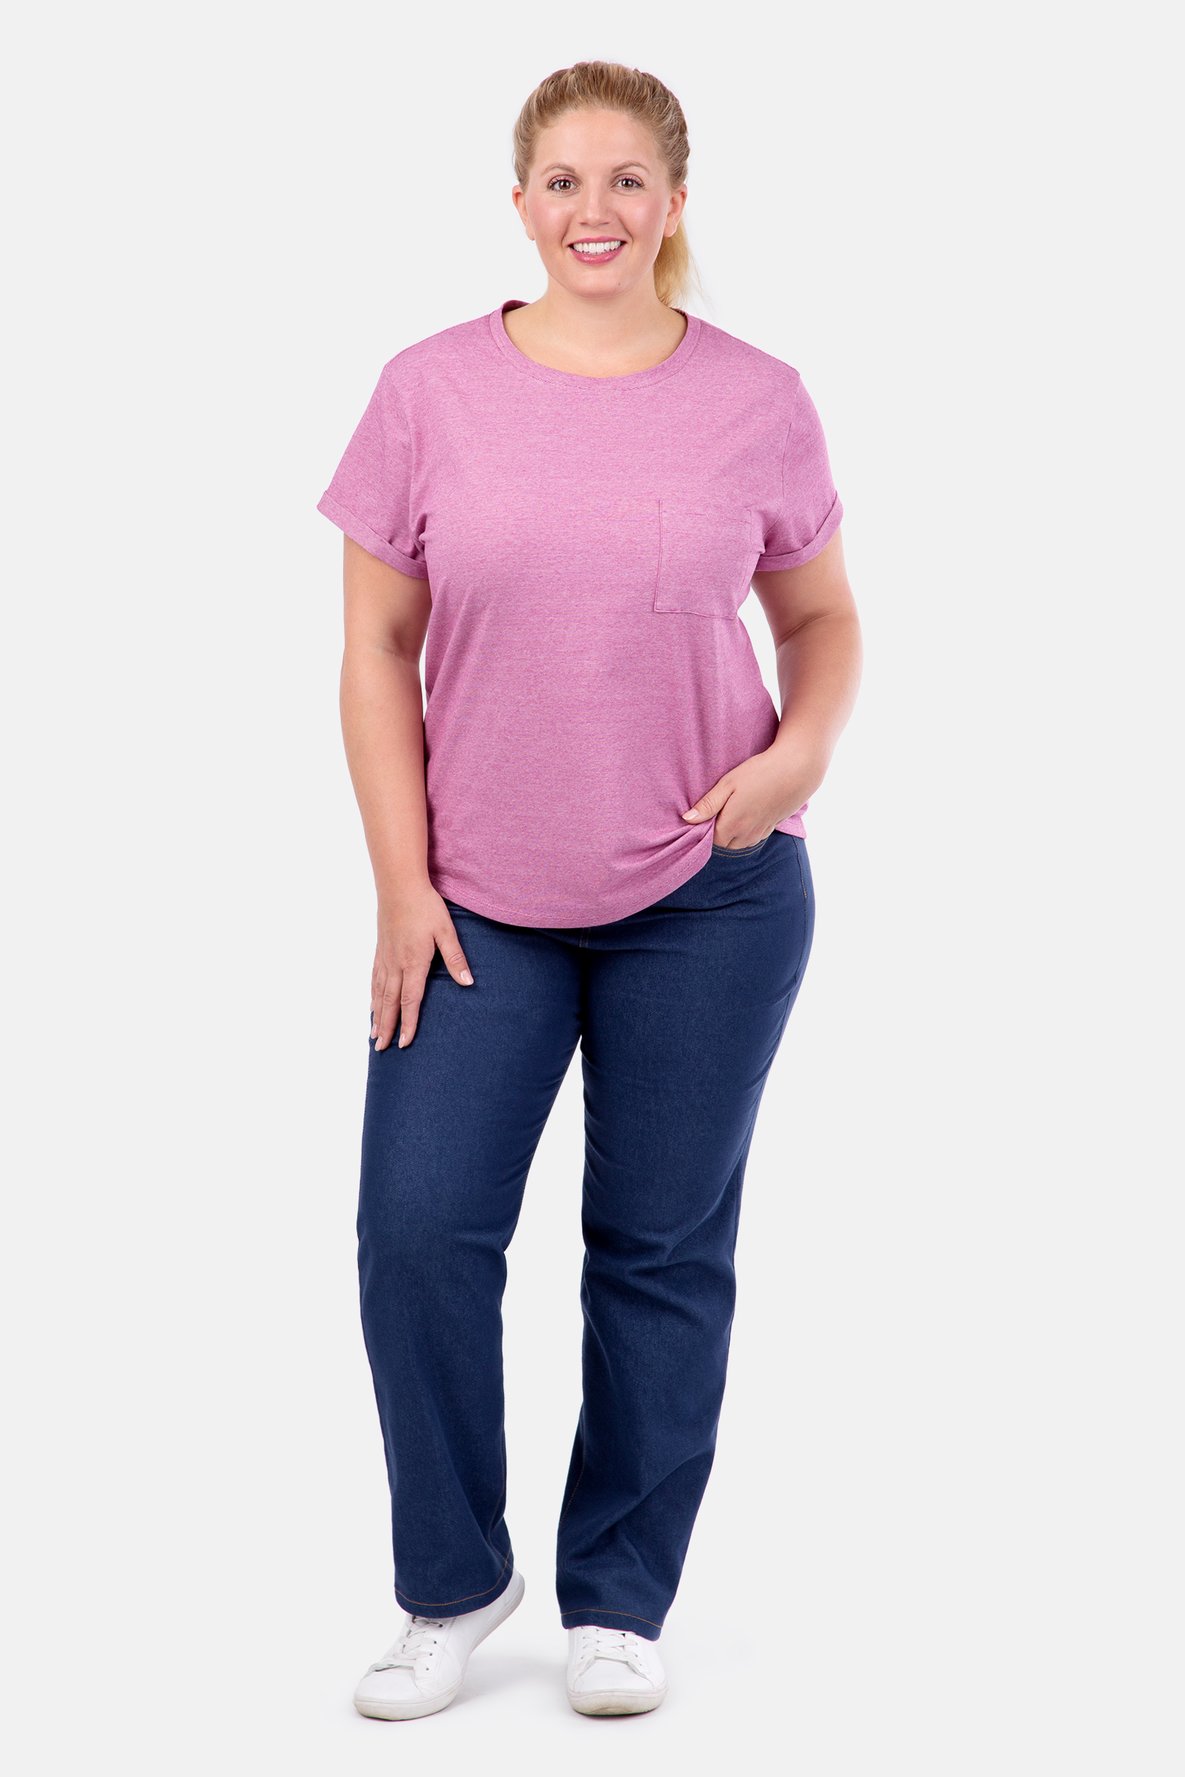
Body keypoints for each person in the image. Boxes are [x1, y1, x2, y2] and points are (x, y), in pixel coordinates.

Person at [315, 59, 861, 1722]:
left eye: (628, 180)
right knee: (415, 1229)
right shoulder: (427, 391)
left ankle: (619, 1593)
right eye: (563, 180)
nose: (595, 210)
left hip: (708, 898)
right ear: (519, 203)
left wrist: (795, 759)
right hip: (477, 902)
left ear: (675, 202)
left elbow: (821, 620)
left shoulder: (758, 398)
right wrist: (400, 886)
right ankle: (453, 1580)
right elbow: (374, 649)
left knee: (658, 1249)